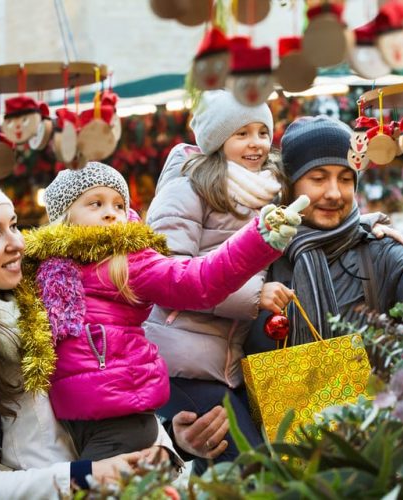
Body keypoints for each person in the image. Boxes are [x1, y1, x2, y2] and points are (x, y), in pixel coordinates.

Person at [19, 161, 300, 463]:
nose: (110, 212)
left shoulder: (127, 261)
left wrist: (257, 240)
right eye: (95, 203)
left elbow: (199, 279)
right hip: (72, 420)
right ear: (64, 216)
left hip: (121, 419)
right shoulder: (43, 270)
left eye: (118, 204)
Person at [0, 184, 153, 499]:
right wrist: (85, 475)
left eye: (12, 226)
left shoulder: (47, 305)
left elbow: (105, 404)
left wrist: (167, 446)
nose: (17, 243)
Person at [142, 90, 296, 473]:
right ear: (216, 140)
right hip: (177, 360)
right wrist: (254, 295)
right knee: (250, 464)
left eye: (262, 131)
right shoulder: (186, 188)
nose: (256, 143)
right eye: (242, 133)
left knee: (232, 464)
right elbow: (165, 276)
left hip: (218, 362)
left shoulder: (262, 192)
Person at [249, 115, 403, 353]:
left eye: (346, 179)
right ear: (290, 185)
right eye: (318, 178)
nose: (335, 193)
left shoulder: (380, 250)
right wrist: (252, 299)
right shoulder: (258, 255)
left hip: (373, 390)